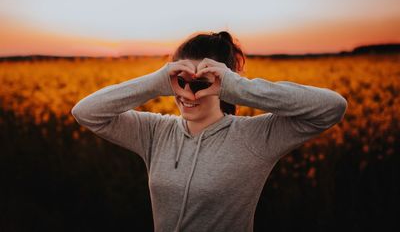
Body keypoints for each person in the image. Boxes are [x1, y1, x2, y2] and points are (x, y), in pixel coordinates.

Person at [71, 31, 348, 232]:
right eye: (180, 82)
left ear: (221, 83)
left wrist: (237, 86)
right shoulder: (155, 132)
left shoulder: (254, 138)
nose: (188, 93)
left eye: (201, 83)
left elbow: (331, 107)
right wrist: (157, 82)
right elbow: (86, 112)